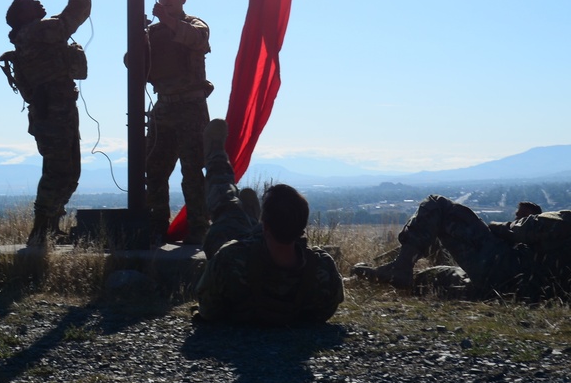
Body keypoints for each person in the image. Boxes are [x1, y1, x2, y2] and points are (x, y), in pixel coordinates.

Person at [194, 119, 344, 326]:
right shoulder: (322, 269)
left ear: (265, 226)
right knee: (232, 213)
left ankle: (216, 155)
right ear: (302, 228)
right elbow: (326, 311)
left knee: (225, 204)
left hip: (238, 238)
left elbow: (208, 311)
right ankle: (248, 214)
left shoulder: (230, 259)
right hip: (261, 239)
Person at [0, 0, 91, 249]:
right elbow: (77, 11)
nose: (40, 4)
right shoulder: (39, 31)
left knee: (69, 170)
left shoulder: (30, 36)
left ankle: (49, 227)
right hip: (54, 111)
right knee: (58, 170)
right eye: (31, 3)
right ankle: (41, 230)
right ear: (23, 15)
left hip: (55, 110)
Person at [352, 195, 571, 301]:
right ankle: (360, 281)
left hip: (502, 269)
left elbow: (520, 230)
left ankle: (400, 267)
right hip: (516, 294)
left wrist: (496, 227)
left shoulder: (566, 219)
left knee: (437, 205)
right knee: (434, 277)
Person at [142, 0, 212, 245]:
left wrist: (168, 22)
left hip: (190, 106)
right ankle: (158, 226)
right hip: (164, 107)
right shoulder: (154, 32)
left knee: (192, 170)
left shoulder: (194, 23)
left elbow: (196, 40)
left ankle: (198, 229)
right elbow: (133, 63)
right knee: (155, 169)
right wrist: (139, 37)